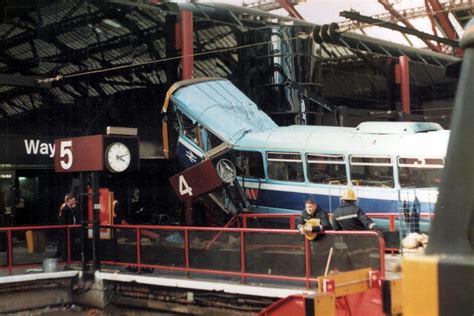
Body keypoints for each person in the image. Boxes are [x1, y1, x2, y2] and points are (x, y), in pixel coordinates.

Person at [55, 194, 79, 260]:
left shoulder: (71, 208)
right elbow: (63, 220)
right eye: (73, 200)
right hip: (67, 229)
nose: (74, 202)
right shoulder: (65, 209)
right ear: (69, 200)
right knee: (66, 243)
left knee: (70, 243)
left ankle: (69, 256)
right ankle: (65, 257)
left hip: (71, 229)